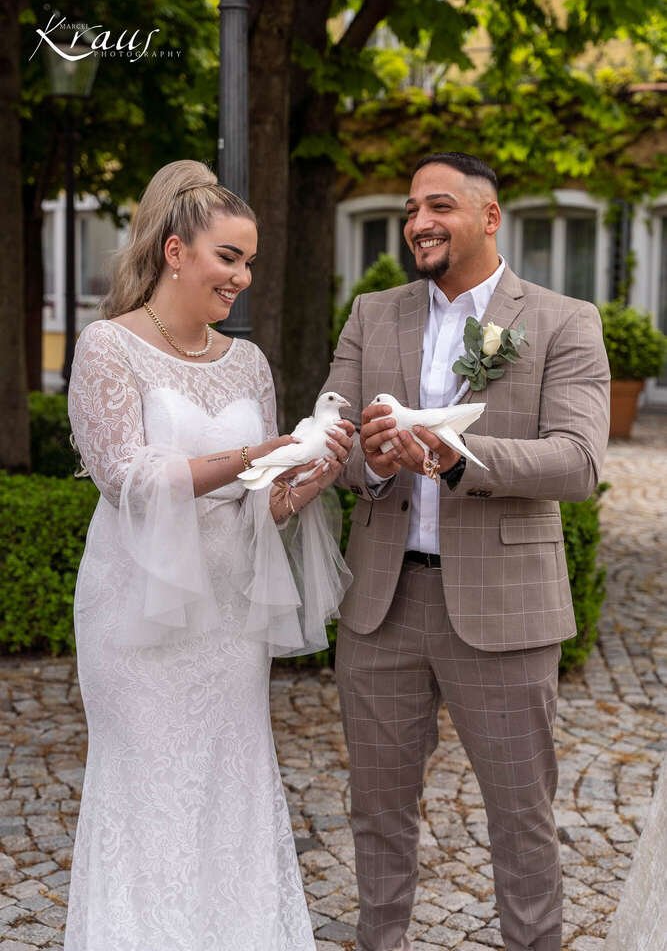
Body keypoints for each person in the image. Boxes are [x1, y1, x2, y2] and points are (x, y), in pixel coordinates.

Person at [323, 151, 610, 951]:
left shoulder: (561, 320)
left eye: (438, 205)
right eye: (412, 207)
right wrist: (370, 461)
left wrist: (459, 458)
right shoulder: (370, 314)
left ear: (489, 217)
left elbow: (579, 461)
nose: (418, 221)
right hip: (381, 606)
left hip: (505, 610)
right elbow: (331, 443)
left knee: (520, 816)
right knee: (375, 811)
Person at [65, 159, 354, 951]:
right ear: (174, 252)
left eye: (250, 260)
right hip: (137, 615)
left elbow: (260, 501)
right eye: (229, 256)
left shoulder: (248, 362)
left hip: (230, 618)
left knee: (229, 784)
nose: (242, 276)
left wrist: (302, 476)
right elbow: (125, 475)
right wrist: (257, 452)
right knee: (144, 788)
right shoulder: (107, 348)